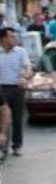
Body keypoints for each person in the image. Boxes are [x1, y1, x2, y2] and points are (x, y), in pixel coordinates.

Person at [0, 28, 31, 156]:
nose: (14, 39)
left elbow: (28, 67)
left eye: (14, 36)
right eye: (11, 36)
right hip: (1, 88)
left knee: (18, 118)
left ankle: (17, 145)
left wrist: (26, 77)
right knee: (3, 118)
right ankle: (3, 148)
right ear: (3, 39)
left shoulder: (21, 52)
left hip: (17, 88)